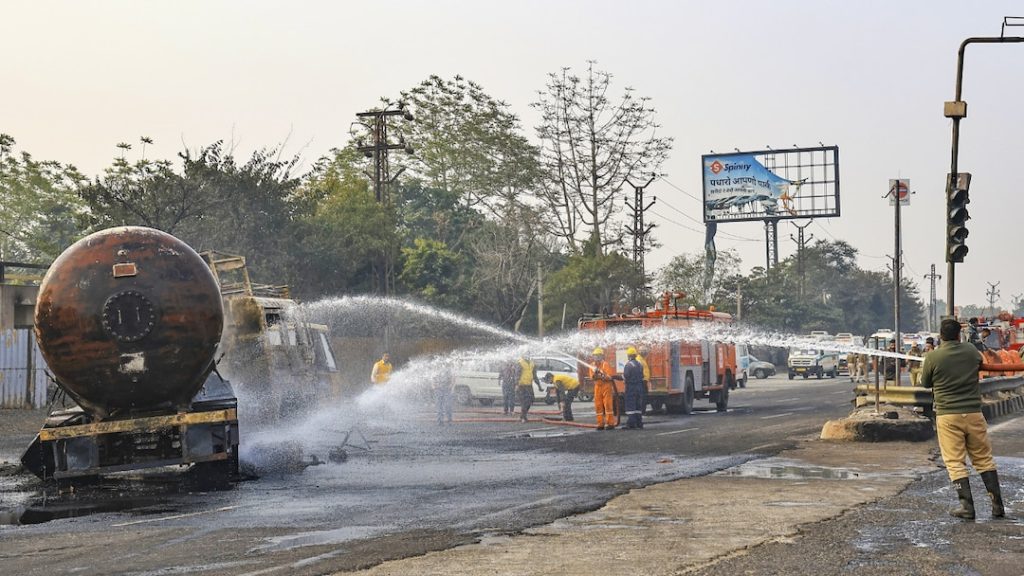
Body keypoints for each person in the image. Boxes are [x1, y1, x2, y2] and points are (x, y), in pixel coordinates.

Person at [921, 318, 1005, 520]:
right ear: (959, 335)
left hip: (948, 415)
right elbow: (980, 364)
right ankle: (997, 506)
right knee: (984, 459)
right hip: (974, 413)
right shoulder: (970, 351)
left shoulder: (933, 357)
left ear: (941, 335)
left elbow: (925, 383)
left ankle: (967, 507)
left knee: (955, 461)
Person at [589, 348, 617, 430]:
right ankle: (600, 424)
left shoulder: (605, 364)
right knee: (598, 406)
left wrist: (600, 374)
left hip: (606, 386)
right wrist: (597, 373)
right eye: (595, 356)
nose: (597, 357)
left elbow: (608, 377)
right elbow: (592, 377)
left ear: (602, 356)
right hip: (597, 386)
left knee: (608, 405)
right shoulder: (592, 366)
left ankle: (610, 423)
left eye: (598, 355)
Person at [622, 347, 645, 429]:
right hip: (639, 387)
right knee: (638, 406)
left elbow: (626, 376)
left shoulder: (628, 365)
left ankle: (631, 423)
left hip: (631, 388)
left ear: (629, 356)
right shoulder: (639, 364)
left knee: (630, 406)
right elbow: (642, 375)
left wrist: (615, 377)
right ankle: (639, 423)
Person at [515, 356, 542, 423]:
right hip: (521, 385)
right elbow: (517, 374)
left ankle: (522, 416)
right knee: (524, 401)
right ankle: (523, 417)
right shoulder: (520, 363)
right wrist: (516, 384)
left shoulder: (532, 363)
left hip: (529, 385)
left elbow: (534, 376)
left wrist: (539, 386)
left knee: (531, 400)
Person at [636, 346, 651, 414]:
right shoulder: (639, 360)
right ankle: (642, 411)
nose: (645, 353)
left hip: (643, 381)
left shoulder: (642, 359)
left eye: (645, 351)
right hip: (642, 381)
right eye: (644, 351)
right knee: (642, 397)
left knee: (644, 396)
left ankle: (642, 410)